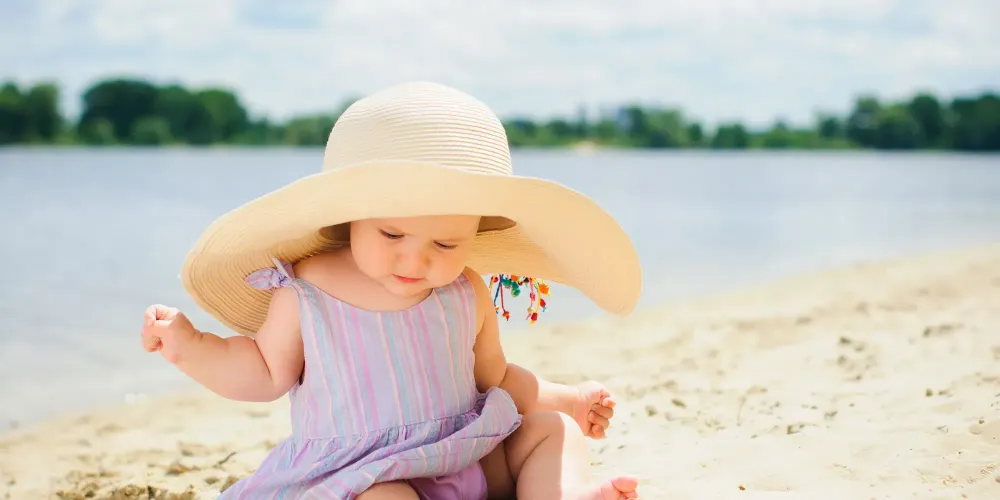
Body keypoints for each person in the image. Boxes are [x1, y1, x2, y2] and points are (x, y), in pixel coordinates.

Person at [141, 81, 643, 499]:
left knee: (554, 434)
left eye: (446, 242)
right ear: (350, 216)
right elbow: (262, 373)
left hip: (465, 454)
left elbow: (497, 378)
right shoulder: (307, 292)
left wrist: (567, 399)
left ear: (475, 235)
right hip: (361, 476)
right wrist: (193, 348)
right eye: (392, 235)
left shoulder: (465, 291)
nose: (416, 259)